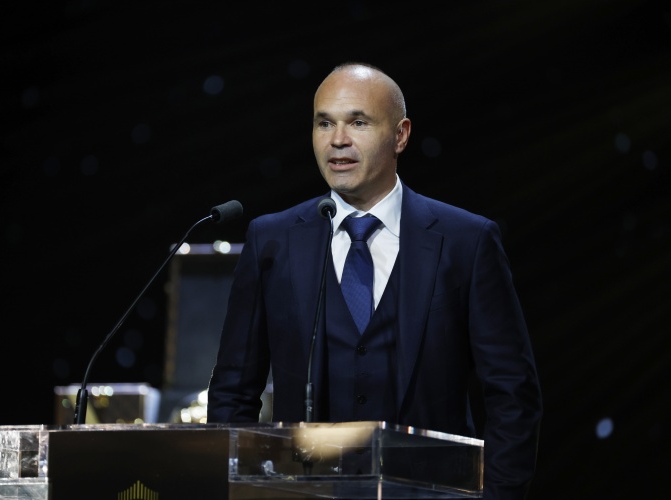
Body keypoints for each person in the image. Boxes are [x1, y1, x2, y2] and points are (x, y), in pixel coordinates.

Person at [207, 61, 542, 499]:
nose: (338, 140)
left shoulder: (467, 241)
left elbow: (513, 393)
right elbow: (233, 391)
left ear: (400, 135)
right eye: (324, 123)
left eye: (358, 122)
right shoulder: (272, 240)